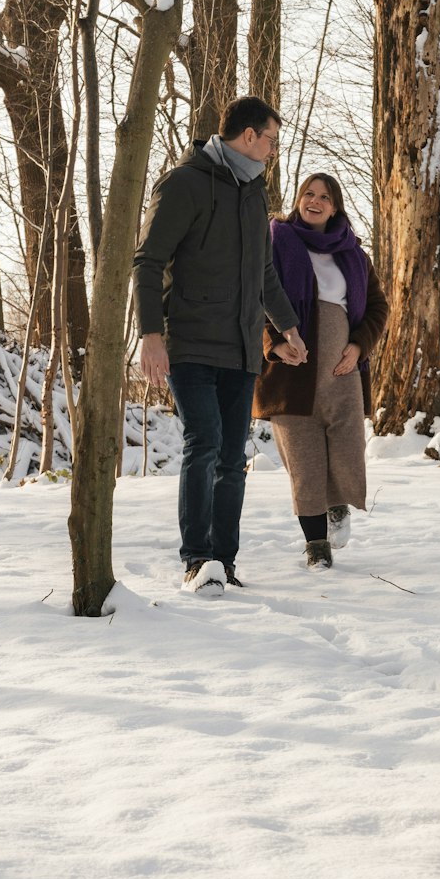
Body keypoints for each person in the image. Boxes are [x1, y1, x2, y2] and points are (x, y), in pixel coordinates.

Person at [133, 97, 307, 594]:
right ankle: (197, 560)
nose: (273, 151)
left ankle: (224, 564)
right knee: (204, 443)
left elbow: (264, 273)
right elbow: (146, 262)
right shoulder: (184, 183)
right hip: (190, 344)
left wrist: (288, 329)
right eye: (271, 140)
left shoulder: (253, 192)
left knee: (233, 458)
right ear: (249, 136)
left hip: (243, 347)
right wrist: (151, 335)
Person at [253, 173, 388, 568]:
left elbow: (379, 307)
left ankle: (338, 506)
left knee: (346, 452)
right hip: (290, 374)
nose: (315, 201)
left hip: (342, 370)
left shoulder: (354, 254)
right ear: (298, 199)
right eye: (308, 194)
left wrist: (360, 344)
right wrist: (273, 344)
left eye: (324, 197)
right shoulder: (273, 243)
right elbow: (251, 302)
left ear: (335, 206)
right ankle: (316, 547)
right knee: (304, 462)